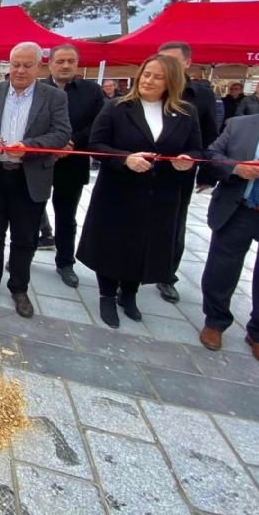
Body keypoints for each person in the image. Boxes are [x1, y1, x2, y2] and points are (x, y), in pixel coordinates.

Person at [77, 54, 202, 328]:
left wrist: (187, 160)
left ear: (171, 82)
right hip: (119, 191)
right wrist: (125, 159)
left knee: (146, 246)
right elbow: (96, 145)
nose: (149, 81)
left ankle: (129, 294)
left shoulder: (185, 113)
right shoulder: (117, 107)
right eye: (146, 74)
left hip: (160, 194)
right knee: (113, 245)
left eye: (158, 77)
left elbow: (196, 148)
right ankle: (107, 295)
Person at [0, 42, 71, 318]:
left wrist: (30, 145)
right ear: (8, 65)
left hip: (29, 177)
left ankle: (19, 288)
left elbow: (61, 134)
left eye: (27, 65)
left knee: (25, 237)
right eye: (16, 64)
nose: (21, 70)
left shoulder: (53, 97)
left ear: (39, 66)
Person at [198, 78, 259, 366]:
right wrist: (236, 168)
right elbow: (211, 155)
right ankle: (215, 321)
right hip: (238, 209)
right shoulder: (242, 125)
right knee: (221, 268)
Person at [156, 42, 220, 303]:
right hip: (143, 169)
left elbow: (209, 136)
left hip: (180, 172)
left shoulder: (201, 96)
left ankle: (166, 276)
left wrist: (206, 172)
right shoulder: (150, 90)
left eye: (172, 61)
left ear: (187, 63)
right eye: (162, 61)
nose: (166, 67)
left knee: (174, 225)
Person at [41, 45, 105, 287]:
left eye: (71, 61)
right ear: (50, 64)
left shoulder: (92, 91)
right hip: (41, 161)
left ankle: (65, 262)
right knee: (31, 213)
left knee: (66, 216)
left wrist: (69, 143)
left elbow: (98, 125)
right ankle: (23, 256)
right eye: (60, 61)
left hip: (73, 161)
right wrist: (51, 146)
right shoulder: (37, 90)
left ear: (77, 64)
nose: (65, 65)